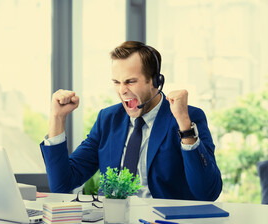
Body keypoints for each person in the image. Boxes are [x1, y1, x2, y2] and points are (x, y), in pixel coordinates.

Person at [40, 41, 222, 201]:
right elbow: (62, 185)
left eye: (130, 81)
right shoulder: (108, 119)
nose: (122, 91)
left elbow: (207, 192)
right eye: (117, 82)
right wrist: (57, 118)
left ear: (155, 81)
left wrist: (184, 125)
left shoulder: (187, 118)